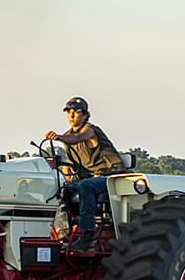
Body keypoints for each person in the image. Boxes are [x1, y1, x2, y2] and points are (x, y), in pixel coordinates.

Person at [45, 96, 127, 253]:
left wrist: (59, 137)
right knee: (61, 188)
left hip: (111, 177)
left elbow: (77, 138)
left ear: (85, 115)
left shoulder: (90, 130)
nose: (72, 115)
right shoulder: (68, 136)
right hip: (90, 179)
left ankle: (87, 237)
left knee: (85, 186)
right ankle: (63, 234)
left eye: (76, 112)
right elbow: (71, 165)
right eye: (69, 112)